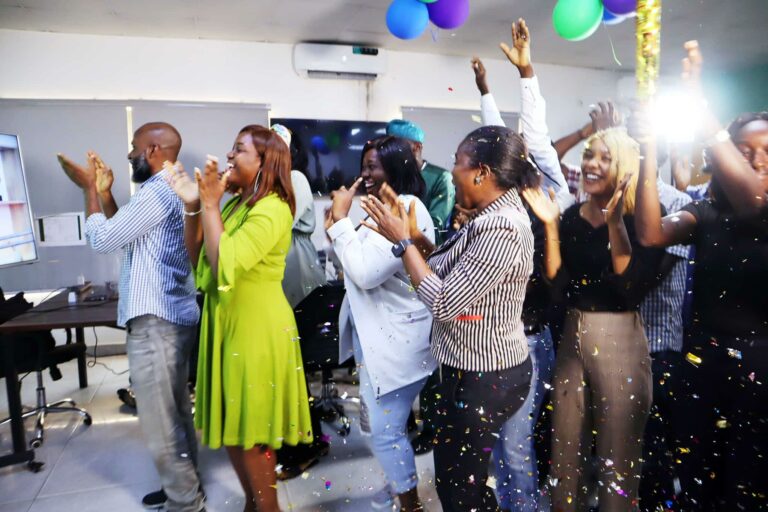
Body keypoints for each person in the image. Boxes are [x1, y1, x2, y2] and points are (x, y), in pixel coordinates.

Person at [361, 124, 536, 511]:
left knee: (460, 491)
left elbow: (443, 302)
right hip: (469, 371)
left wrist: (403, 243)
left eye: (458, 162)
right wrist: (413, 238)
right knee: (457, 480)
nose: (451, 171)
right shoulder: (487, 215)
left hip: (486, 377)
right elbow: (443, 269)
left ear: (482, 172)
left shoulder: (502, 227)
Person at [633, 41, 768, 512]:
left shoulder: (762, 207)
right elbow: (651, 233)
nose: (756, 160)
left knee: (748, 479)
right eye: (745, 151)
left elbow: (753, 200)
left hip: (760, 367)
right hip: (702, 360)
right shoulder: (707, 209)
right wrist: (649, 151)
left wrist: (702, 109)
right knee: (696, 476)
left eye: (766, 152)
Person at [57, 122, 204, 512]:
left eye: (134, 148)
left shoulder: (156, 192)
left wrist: (89, 189)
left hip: (157, 323)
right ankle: (186, 489)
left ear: (153, 150)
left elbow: (103, 238)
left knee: (161, 424)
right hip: (171, 317)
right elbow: (127, 234)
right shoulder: (169, 189)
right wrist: (106, 195)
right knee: (174, 414)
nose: (128, 155)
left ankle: (186, 503)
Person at [166, 125, 313, 512]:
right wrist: (194, 204)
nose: (229, 155)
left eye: (239, 149)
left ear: (265, 161)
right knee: (234, 423)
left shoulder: (274, 208)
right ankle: (252, 502)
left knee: (252, 430)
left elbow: (224, 267)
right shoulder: (236, 205)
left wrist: (211, 205)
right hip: (227, 321)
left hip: (255, 328)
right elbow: (197, 256)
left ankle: (268, 507)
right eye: (232, 148)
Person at [524, 124, 666, 511]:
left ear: (624, 166)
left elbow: (630, 288)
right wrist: (551, 225)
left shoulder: (641, 220)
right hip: (572, 335)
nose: (591, 164)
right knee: (564, 449)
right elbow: (557, 286)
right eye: (589, 155)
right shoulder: (572, 218)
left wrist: (615, 222)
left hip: (620, 337)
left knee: (619, 455)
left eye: (605, 158)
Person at [471, 19, 564, 511]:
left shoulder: (551, 193)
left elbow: (533, 132)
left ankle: (523, 506)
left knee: (515, 442)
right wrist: (486, 91)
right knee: (503, 443)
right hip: (497, 340)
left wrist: (527, 74)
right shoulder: (502, 197)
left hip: (528, 337)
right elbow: (498, 138)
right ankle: (513, 503)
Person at [325, 135, 436, 512]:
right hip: (378, 340)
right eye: (364, 167)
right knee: (383, 428)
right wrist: (337, 227)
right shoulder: (382, 208)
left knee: (383, 434)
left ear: (396, 167)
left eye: (373, 166)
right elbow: (350, 263)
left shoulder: (407, 208)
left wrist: (341, 222)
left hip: (397, 343)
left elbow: (364, 272)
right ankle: (398, 482)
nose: (365, 174)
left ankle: (410, 503)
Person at [386, 119, 455, 245]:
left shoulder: (441, 178)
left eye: (397, 145)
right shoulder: (393, 175)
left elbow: (435, 229)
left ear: (416, 147)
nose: (391, 150)